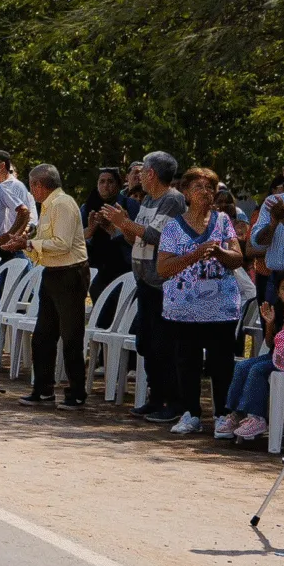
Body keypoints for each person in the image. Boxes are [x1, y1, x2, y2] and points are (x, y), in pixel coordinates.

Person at [155, 165, 247, 437]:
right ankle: (191, 413)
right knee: (187, 361)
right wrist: (194, 255)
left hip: (220, 307)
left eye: (210, 188)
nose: (206, 193)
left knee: (221, 363)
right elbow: (163, 269)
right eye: (199, 187)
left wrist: (219, 252)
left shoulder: (223, 222)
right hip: (184, 308)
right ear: (185, 192)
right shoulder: (173, 227)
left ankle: (222, 415)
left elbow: (238, 258)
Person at [103, 150, 190, 424]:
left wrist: (126, 223)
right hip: (145, 282)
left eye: (143, 170)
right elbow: (137, 240)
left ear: (151, 173)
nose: (138, 174)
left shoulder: (172, 200)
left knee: (165, 345)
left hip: (163, 285)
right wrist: (123, 227)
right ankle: (156, 398)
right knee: (147, 344)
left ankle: (173, 402)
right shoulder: (150, 199)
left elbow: (158, 235)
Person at [19, 163, 90, 407]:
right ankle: (43, 389)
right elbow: (43, 241)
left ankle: (77, 393)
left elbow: (62, 243)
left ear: (39, 185)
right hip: (52, 272)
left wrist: (30, 245)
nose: (32, 191)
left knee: (71, 336)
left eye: (32, 186)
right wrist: (28, 243)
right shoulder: (48, 205)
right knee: (42, 336)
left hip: (70, 274)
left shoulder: (62, 204)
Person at [225, 270, 284, 443]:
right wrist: (270, 323)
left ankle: (257, 417)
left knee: (258, 369)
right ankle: (236, 414)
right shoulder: (277, 309)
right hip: (275, 357)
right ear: (278, 291)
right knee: (242, 366)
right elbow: (271, 344)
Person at [84, 167, 134, 297]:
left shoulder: (129, 205)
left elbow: (136, 237)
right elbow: (75, 236)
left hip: (124, 265)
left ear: (118, 185)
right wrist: (90, 230)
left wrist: (113, 229)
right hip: (96, 265)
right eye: (102, 182)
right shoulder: (88, 206)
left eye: (110, 182)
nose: (106, 186)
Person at [0, 150, 33, 260]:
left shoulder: (16, 186)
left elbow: (26, 215)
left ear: (2, 165)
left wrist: (11, 236)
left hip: (13, 249)